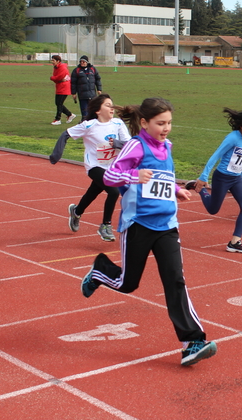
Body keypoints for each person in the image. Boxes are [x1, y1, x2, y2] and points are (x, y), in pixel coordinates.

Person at [83, 97, 218, 367]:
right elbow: (109, 177)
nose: (166, 128)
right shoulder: (135, 146)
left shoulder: (167, 146)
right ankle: (100, 270)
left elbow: (163, 177)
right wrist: (134, 176)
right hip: (138, 225)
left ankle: (192, 341)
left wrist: (177, 190)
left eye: (169, 123)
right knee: (128, 283)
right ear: (144, 123)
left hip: (167, 225)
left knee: (175, 282)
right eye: (160, 123)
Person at [49, 94, 130, 242]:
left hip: (112, 167)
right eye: (107, 105)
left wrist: (117, 143)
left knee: (93, 191)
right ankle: (105, 225)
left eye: (112, 105)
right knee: (113, 191)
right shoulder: (89, 125)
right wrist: (56, 154)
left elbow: (129, 144)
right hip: (94, 166)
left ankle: (77, 211)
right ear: (98, 110)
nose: (111, 108)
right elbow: (66, 134)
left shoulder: (118, 124)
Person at [186, 107, 242, 254]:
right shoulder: (232, 138)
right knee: (213, 210)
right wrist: (203, 177)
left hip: (237, 179)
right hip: (222, 177)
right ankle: (200, 188)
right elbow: (215, 156)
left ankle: (234, 242)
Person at [71, 55, 102, 121]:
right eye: (81, 61)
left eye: (84, 61)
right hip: (82, 95)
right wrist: (73, 93)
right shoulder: (76, 70)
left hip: (92, 94)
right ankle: (84, 123)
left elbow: (97, 79)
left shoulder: (92, 69)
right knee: (84, 111)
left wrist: (99, 89)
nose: (82, 63)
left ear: (87, 62)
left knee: (93, 110)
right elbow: (73, 83)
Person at [49, 54, 76, 125]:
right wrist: (56, 79)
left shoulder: (62, 68)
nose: (52, 62)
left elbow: (57, 77)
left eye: (53, 60)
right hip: (59, 87)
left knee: (59, 103)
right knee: (58, 103)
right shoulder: (56, 67)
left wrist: (53, 78)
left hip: (64, 87)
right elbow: (57, 79)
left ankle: (58, 119)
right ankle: (69, 114)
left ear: (58, 61)